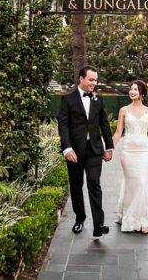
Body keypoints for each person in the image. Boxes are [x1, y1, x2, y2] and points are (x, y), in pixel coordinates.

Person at [57, 65, 114, 239]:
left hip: (95, 150)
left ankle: (99, 225)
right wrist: (67, 148)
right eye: (91, 79)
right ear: (81, 79)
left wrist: (109, 147)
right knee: (76, 186)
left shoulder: (98, 99)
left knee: (94, 183)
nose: (94, 83)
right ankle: (80, 218)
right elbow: (63, 125)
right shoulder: (67, 99)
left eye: (96, 80)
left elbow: (104, 124)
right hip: (74, 151)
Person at [112, 79, 148, 234]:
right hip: (127, 151)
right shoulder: (124, 110)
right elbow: (119, 132)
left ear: (142, 93)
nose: (131, 92)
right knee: (132, 183)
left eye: (135, 89)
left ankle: (142, 219)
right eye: (130, 89)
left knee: (142, 182)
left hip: (144, 151)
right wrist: (109, 148)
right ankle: (129, 216)